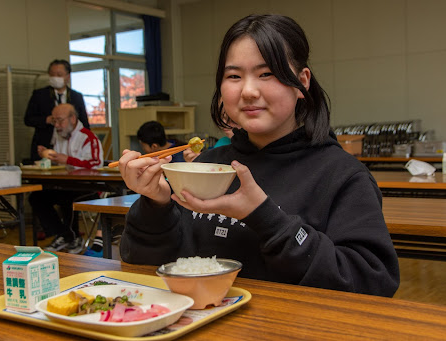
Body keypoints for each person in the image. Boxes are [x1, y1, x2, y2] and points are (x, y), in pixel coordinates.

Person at [116, 14, 399, 296]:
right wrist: (157, 204)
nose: (248, 91)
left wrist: (264, 216)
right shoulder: (206, 166)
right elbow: (144, 265)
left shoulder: (342, 175)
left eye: (267, 74)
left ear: (302, 82)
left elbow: (373, 284)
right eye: (234, 76)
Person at [84, 120, 182, 257]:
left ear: (154, 146)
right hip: (154, 207)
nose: (143, 150)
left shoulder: (177, 157)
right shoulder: (173, 147)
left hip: (173, 204)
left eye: (143, 146)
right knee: (111, 198)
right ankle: (100, 241)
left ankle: (100, 241)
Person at [29, 103, 104, 254]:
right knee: (36, 197)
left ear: (73, 119)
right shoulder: (58, 136)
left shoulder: (88, 137)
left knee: (68, 198)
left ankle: (70, 237)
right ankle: (65, 235)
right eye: (54, 121)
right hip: (66, 185)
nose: (57, 125)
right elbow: (60, 161)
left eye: (60, 121)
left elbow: (96, 163)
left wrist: (68, 160)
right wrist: (47, 154)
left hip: (90, 187)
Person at [24, 59, 90, 162]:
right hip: (45, 144)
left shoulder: (76, 97)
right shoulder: (39, 95)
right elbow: (28, 119)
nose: (55, 78)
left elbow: (84, 123)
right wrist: (47, 120)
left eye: (59, 75)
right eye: (52, 74)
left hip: (70, 146)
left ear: (68, 76)